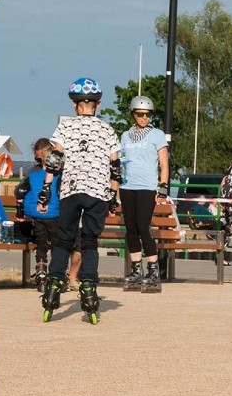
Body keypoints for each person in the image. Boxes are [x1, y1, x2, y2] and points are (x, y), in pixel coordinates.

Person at [37, 77, 121, 324]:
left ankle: (53, 284)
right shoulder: (107, 129)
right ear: (99, 104)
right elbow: (115, 166)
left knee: (64, 240)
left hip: (71, 190)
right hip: (97, 192)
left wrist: (46, 189)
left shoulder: (65, 127)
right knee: (90, 242)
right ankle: (88, 286)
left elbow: (55, 160)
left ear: (74, 105)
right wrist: (113, 195)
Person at [118, 96, 169, 292]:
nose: (144, 118)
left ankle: (153, 270)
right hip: (127, 186)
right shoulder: (125, 136)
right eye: (140, 114)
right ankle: (136, 269)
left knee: (142, 226)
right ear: (133, 114)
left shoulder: (157, 135)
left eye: (147, 115)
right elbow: (120, 161)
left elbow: (164, 164)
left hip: (147, 187)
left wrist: (163, 187)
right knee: (130, 229)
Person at [14, 138, 62, 290]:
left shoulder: (33, 173)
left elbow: (20, 192)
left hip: (37, 215)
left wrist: (21, 211)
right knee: (56, 244)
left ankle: (41, 271)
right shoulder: (60, 173)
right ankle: (56, 274)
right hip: (55, 215)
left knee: (41, 243)